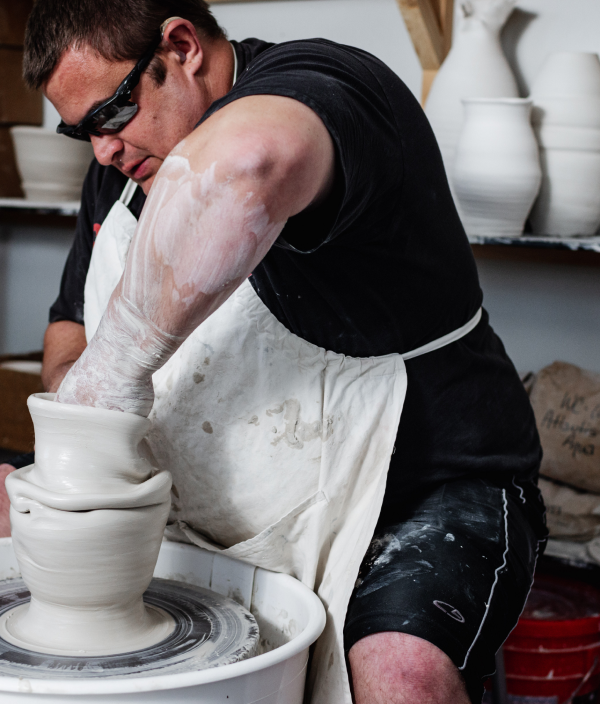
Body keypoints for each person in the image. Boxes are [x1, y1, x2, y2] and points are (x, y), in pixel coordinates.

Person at [2, 0, 546, 701]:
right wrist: (83, 443)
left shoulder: (324, 86)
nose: (103, 149)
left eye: (109, 115)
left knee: (399, 673)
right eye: (82, 134)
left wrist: (108, 381)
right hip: (211, 497)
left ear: (182, 46)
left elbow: (246, 162)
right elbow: (68, 330)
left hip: (421, 492)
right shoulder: (123, 161)